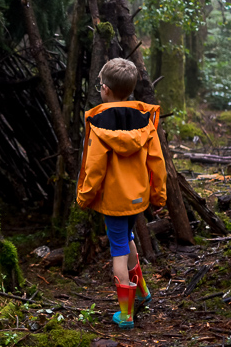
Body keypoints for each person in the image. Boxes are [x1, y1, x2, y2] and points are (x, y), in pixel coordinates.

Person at [76, 58, 167, 329]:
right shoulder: (144, 121)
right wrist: (159, 197)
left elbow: (94, 169)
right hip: (137, 199)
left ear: (104, 88)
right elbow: (157, 163)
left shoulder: (98, 123)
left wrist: (84, 196)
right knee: (127, 239)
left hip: (114, 202)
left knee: (117, 250)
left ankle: (126, 315)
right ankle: (142, 292)